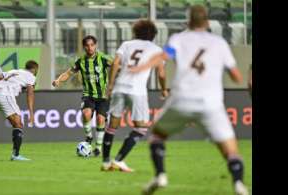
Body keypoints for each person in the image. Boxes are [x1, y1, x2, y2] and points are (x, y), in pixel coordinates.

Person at [128, 5, 249, 195]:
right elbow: (236, 76)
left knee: (157, 136)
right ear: (208, 22)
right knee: (231, 151)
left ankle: (160, 175)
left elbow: (163, 55)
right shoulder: (219, 43)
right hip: (211, 104)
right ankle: (239, 185)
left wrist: (141, 67)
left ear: (188, 21)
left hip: (182, 100)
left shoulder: (178, 39)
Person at [100, 19, 168, 172]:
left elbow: (115, 63)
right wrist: (164, 89)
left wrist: (110, 85)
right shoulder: (156, 50)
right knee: (141, 127)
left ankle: (105, 162)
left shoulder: (126, 44)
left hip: (119, 87)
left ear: (136, 31)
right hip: (137, 91)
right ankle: (118, 160)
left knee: (112, 125)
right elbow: (161, 74)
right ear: (153, 34)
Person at [52, 35, 112, 156]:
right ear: (84, 47)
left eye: (92, 45)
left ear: (95, 45)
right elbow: (68, 73)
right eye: (87, 46)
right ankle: (89, 137)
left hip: (103, 96)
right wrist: (58, 80)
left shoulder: (104, 59)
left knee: (100, 119)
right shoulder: (81, 61)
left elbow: (116, 66)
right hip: (88, 94)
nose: (90, 48)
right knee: (86, 113)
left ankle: (98, 148)